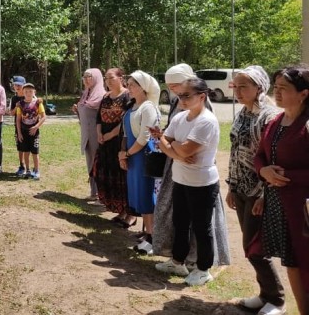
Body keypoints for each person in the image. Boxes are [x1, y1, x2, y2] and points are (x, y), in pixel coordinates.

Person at [152, 64, 230, 271]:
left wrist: (174, 147)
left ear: (202, 96)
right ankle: (177, 261)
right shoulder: (179, 117)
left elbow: (184, 150)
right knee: (180, 223)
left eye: (187, 95)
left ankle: (203, 269)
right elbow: (163, 142)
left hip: (201, 182)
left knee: (202, 227)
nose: (182, 99)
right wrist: (176, 149)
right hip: (181, 179)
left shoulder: (207, 121)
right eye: (179, 95)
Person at [227, 66, 285, 315]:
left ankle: (277, 299)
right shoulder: (243, 112)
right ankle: (265, 295)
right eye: (235, 86)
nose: (238, 91)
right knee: (250, 245)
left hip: (258, 190)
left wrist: (264, 193)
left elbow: (272, 157)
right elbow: (234, 152)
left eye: (244, 86)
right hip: (240, 188)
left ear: (259, 87)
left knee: (255, 246)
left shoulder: (269, 115)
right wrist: (231, 186)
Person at [254, 65, 309, 315]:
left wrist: (288, 177)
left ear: (304, 94)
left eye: (283, 89)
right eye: (276, 88)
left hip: (303, 208)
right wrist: (264, 171)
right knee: (293, 263)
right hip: (279, 203)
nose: (276, 93)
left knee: (304, 262)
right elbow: (260, 156)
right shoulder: (276, 120)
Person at [118, 71, 160, 254]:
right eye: (128, 84)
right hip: (131, 155)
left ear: (143, 87)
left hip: (143, 156)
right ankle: (147, 233)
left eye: (133, 84)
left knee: (146, 195)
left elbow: (144, 137)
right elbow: (126, 133)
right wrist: (122, 154)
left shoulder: (148, 107)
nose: (129, 88)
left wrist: (127, 153)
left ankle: (153, 237)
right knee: (138, 195)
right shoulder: (132, 106)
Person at [92, 68, 133, 227]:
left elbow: (125, 121)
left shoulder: (127, 96)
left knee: (123, 178)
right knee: (106, 174)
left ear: (121, 78)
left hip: (119, 142)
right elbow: (98, 118)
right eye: (105, 78)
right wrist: (99, 133)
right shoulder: (106, 97)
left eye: (111, 77)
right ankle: (120, 211)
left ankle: (130, 214)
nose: (108, 81)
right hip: (104, 144)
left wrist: (110, 135)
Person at [73, 68, 105, 200]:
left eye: (89, 77)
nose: (86, 79)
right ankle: (94, 191)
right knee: (90, 161)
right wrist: (77, 111)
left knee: (98, 162)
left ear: (97, 78)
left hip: (96, 135)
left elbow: (103, 118)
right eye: (84, 77)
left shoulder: (102, 95)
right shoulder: (86, 93)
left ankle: (101, 193)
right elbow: (84, 116)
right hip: (86, 134)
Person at [9, 76, 28, 176]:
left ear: (24, 85)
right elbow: (11, 113)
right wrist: (16, 107)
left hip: (28, 126)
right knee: (20, 146)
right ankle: (22, 165)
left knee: (28, 146)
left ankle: (29, 167)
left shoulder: (28, 96)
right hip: (18, 126)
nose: (17, 87)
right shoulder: (14, 98)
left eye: (19, 85)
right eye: (15, 85)